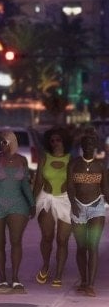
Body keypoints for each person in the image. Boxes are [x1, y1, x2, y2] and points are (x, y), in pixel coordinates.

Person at [0, 130, 34, 289]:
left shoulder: (22, 160)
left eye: (4, 142)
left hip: (18, 204)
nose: (1, 145)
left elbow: (25, 185)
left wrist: (32, 203)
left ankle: (16, 278)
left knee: (16, 241)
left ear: (12, 142)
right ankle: (2, 278)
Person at [67, 132, 107, 297]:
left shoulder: (101, 165)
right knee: (81, 247)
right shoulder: (74, 164)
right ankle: (84, 281)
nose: (88, 146)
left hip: (97, 207)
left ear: (95, 146)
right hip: (78, 207)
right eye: (86, 143)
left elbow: (105, 188)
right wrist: (73, 204)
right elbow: (70, 186)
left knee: (93, 246)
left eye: (91, 143)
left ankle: (91, 284)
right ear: (81, 146)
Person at [32, 127, 72, 287]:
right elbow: (38, 182)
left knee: (62, 239)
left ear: (64, 141)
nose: (55, 143)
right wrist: (31, 202)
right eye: (52, 140)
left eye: (58, 140)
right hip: (46, 199)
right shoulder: (44, 158)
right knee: (47, 237)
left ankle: (59, 274)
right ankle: (46, 265)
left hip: (65, 200)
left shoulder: (71, 159)